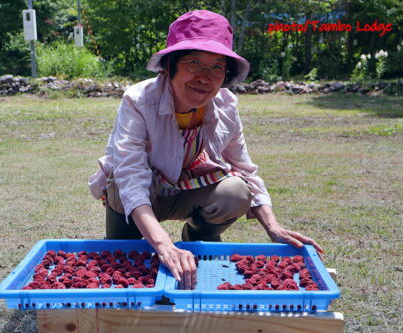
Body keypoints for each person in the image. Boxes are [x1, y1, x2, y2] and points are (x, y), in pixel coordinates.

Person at [89, 10, 323, 290]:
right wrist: (163, 245)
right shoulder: (139, 101)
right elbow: (130, 175)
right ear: (169, 66)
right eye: (194, 63)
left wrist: (272, 226)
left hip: (187, 189)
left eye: (216, 67)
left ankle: (196, 237)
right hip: (139, 194)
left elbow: (245, 168)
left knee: (235, 192)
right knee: (123, 259)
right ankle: (137, 239)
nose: (205, 77)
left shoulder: (226, 105)